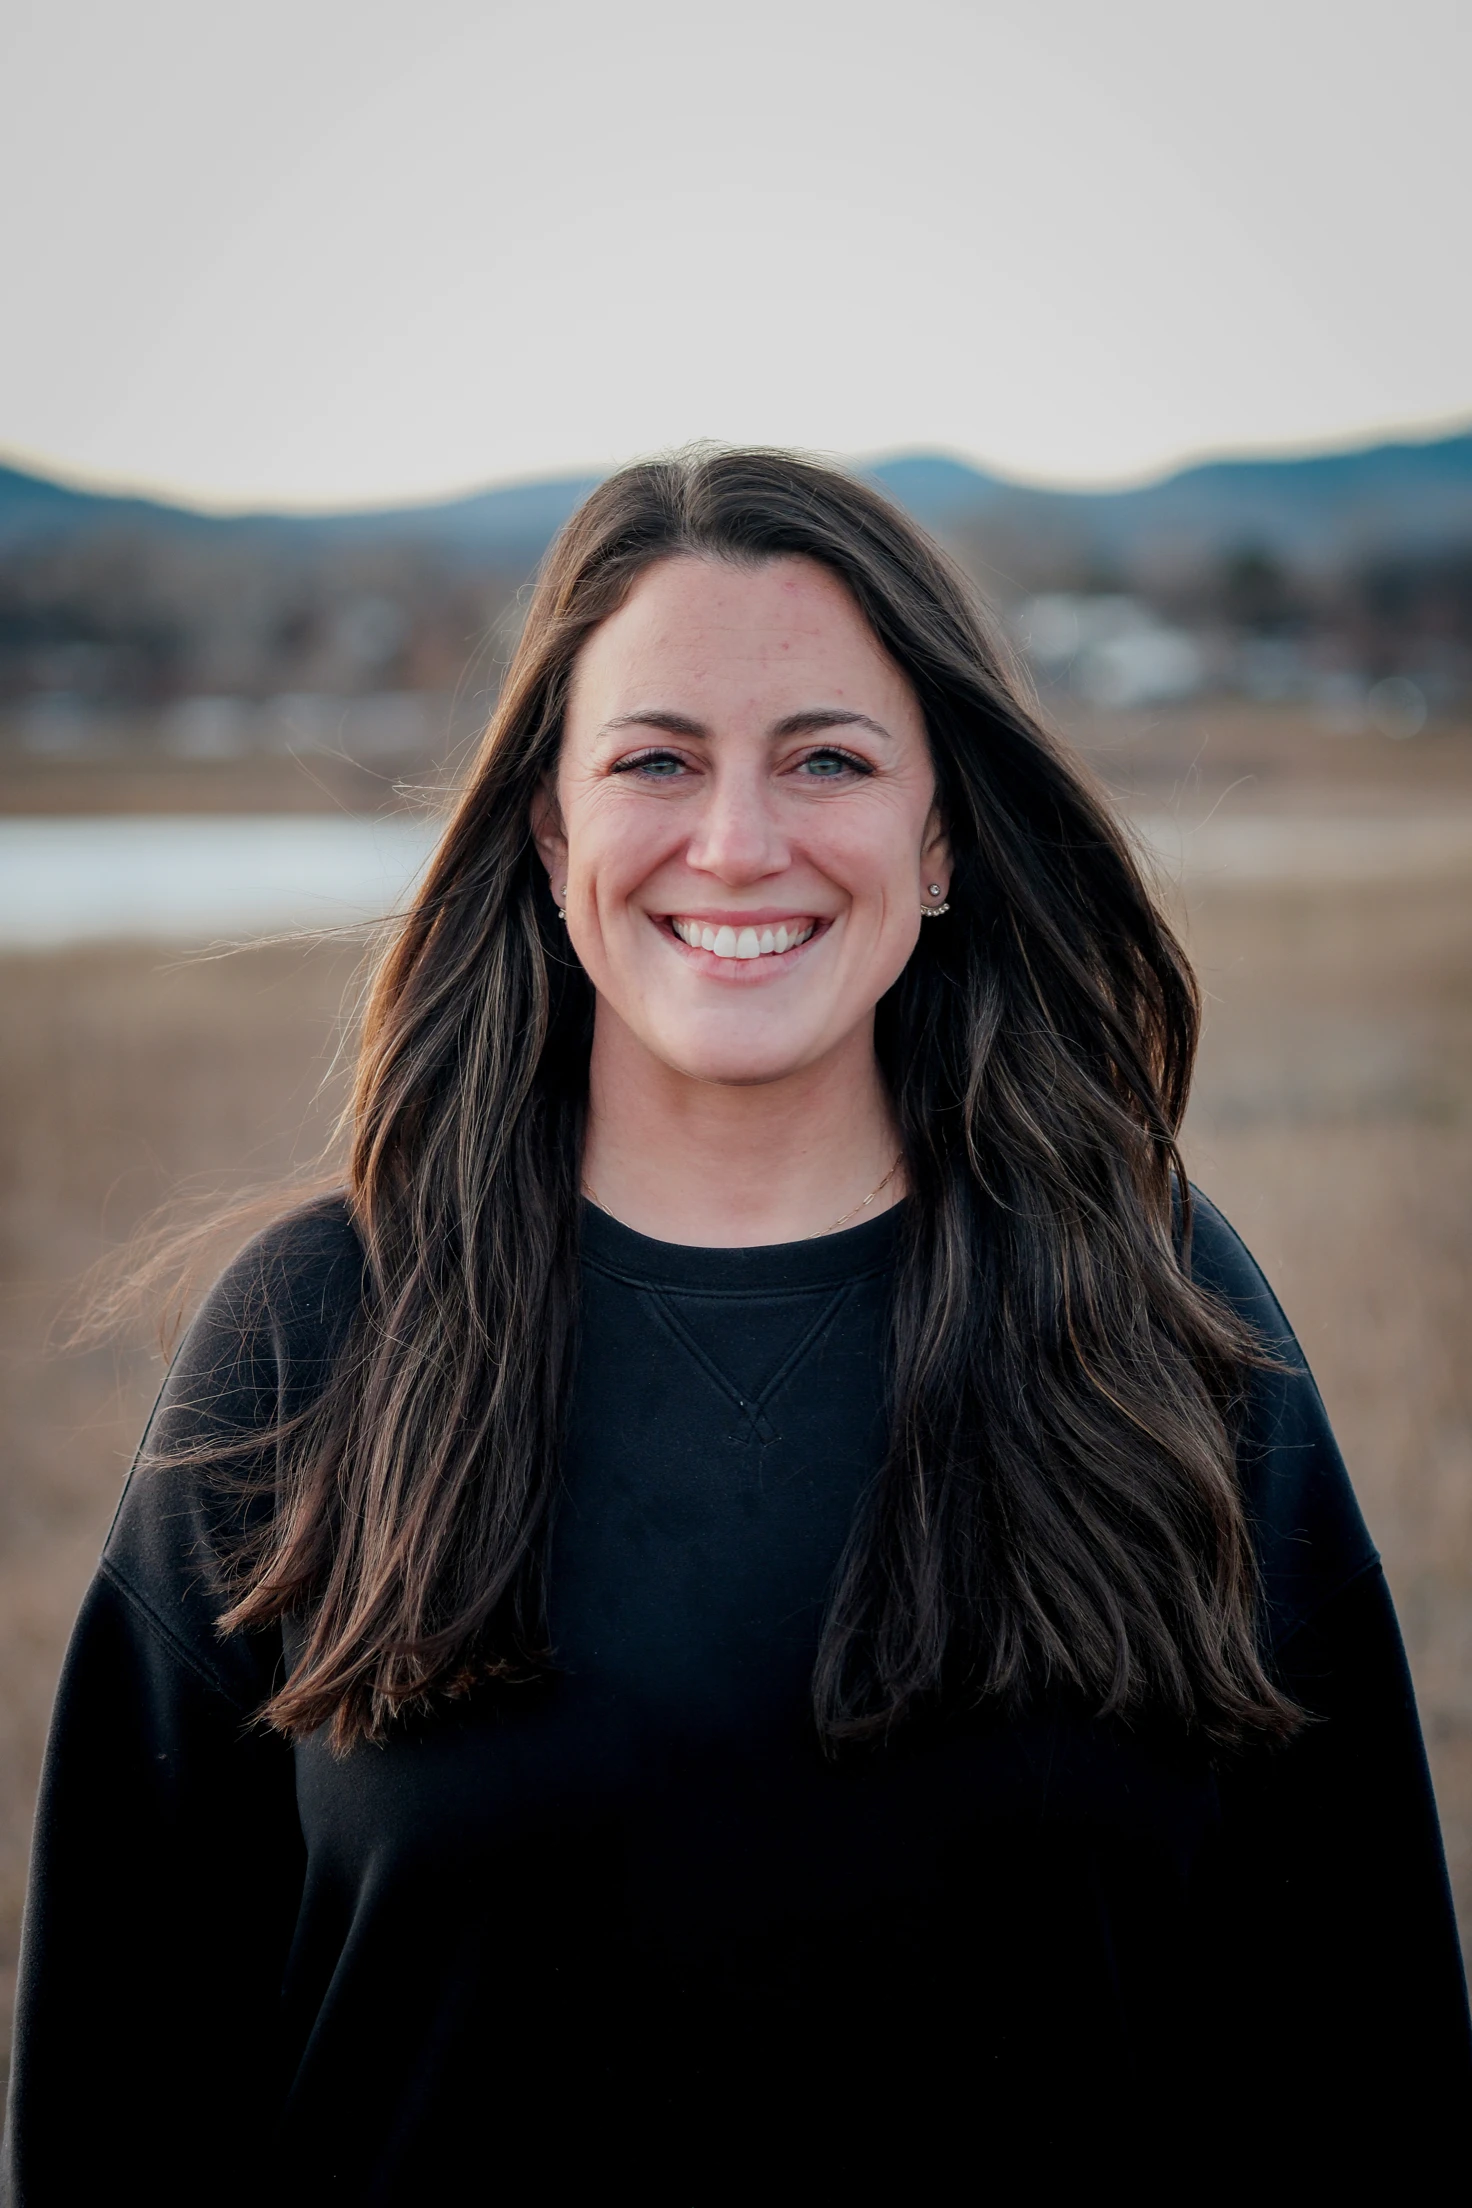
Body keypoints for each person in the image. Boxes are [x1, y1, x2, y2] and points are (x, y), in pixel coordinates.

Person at [4, 450, 1467, 2203]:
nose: (739, 842)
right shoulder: (314, 1342)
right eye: (657, 760)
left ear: (940, 840)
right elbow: (112, 2099)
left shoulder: (1152, 1312)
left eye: (827, 759)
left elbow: (1370, 2064)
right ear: (552, 836)